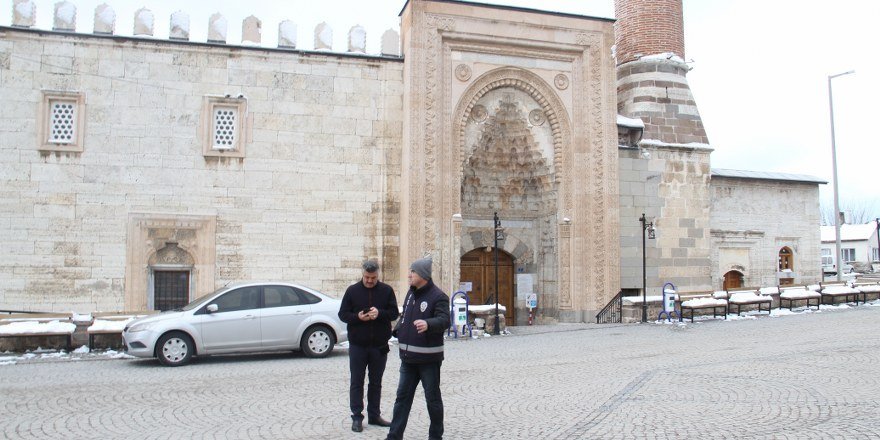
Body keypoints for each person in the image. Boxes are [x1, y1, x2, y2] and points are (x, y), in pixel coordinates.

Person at [386, 256, 450, 440]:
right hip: (408, 358)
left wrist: (428, 324)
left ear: (423, 274)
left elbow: (445, 320)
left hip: (428, 360)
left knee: (433, 400)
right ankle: (394, 436)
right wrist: (398, 330)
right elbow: (406, 316)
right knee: (402, 399)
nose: (409, 275)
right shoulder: (411, 293)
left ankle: (436, 436)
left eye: (412, 272)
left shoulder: (438, 296)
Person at [338, 260, 400, 433]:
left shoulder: (386, 290)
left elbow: (394, 313)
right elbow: (343, 314)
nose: (370, 281)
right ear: (362, 274)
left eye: (373, 278)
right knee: (356, 381)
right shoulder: (352, 291)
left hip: (379, 345)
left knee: (376, 382)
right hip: (358, 345)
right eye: (367, 277)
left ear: (377, 275)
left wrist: (379, 314)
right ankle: (357, 416)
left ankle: (374, 415)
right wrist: (358, 317)